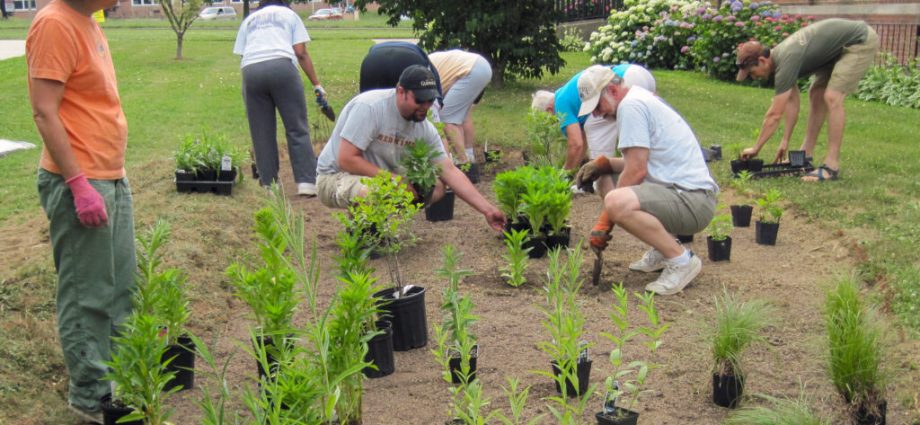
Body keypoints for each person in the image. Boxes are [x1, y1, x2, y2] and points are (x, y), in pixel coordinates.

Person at [26, 0, 136, 421]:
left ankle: (121, 379)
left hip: (110, 174)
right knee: (86, 294)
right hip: (81, 181)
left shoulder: (87, 19)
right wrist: (77, 185)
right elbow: (44, 110)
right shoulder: (55, 22)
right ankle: (91, 399)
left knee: (121, 287)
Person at [574, 65, 718, 296]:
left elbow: (636, 171)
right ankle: (664, 249)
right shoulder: (638, 100)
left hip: (692, 201)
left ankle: (681, 260)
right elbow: (644, 161)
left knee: (616, 202)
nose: (597, 114)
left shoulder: (631, 107)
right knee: (607, 180)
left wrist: (604, 222)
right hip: (684, 194)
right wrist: (604, 164)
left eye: (598, 106)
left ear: (612, 90)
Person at [316, 65, 506, 231]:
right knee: (373, 191)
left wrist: (488, 210)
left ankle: (377, 223)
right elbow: (346, 159)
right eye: (419, 100)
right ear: (401, 91)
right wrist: (395, 181)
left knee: (437, 187)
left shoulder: (424, 128)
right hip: (334, 177)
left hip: (377, 179)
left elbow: (449, 171)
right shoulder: (370, 107)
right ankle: (363, 232)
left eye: (429, 100)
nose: (425, 106)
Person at [735, 18, 879, 182]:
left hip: (859, 41)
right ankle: (806, 155)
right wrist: (785, 140)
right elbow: (792, 102)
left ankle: (831, 166)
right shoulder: (780, 60)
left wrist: (756, 147)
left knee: (833, 97)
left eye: (752, 72)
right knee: (816, 93)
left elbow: (774, 114)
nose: (754, 77)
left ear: (762, 61)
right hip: (837, 49)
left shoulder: (786, 59)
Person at [233, 0, 328, 195]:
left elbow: (243, 54)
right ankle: (306, 183)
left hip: (251, 71)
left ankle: (270, 185)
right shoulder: (289, 15)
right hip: (283, 68)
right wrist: (316, 84)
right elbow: (300, 53)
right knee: (296, 127)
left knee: (261, 132)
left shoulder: (249, 20)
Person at [531, 63, 656, 175]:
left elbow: (576, 144)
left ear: (548, 110)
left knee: (594, 125)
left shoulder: (560, 105)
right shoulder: (564, 94)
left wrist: (565, 173)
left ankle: (598, 176)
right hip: (639, 73)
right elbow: (582, 141)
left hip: (623, 80)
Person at [428, 50, 492, 165]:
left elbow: (434, 116)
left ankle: (463, 163)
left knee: (446, 119)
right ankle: (469, 157)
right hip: (480, 66)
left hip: (470, 71)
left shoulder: (420, 73)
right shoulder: (424, 62)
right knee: (463, 117)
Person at [359, 40, 443, 97]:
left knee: (370, 99)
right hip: (409, 59)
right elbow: (434, 87)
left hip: (374, 59)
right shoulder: (426, 62)